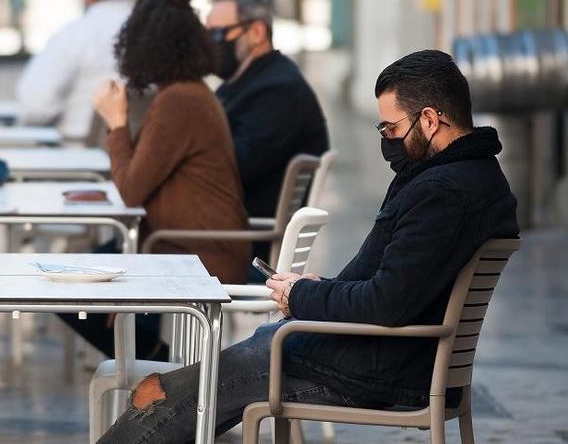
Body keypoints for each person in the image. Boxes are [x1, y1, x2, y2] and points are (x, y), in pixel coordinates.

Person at [98, 50, 520, 442]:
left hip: (371, 371)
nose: (386, 139)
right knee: (214, 372)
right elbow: (401, 283)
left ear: (429, 120)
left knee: (169, 393)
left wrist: (304, 295)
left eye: (392, 128)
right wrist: (321, 289)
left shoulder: (444, 191)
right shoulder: (471, 176)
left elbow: (388, 303)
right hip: (376, 356)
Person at [61, 0, 250, 361]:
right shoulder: (186, 92)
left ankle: (178, 381)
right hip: (185, 245)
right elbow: (140, 177)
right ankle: (172, 375)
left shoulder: (179, 100)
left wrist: (116, 124)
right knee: (74, 280)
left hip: (196, 254)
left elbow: (131, 190)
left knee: (72, 296)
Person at [206, 0, 329, 221]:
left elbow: (231, 169)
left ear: (256, 32)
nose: (210, 44)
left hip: (242, 236)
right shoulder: (242, 82)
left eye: (218, 34)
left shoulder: (279, 91)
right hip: (223, 225)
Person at [15, 0, 135, 142]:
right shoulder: (157, 33)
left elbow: (35, 107)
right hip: (145, 155)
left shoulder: (74, 34)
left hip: (79, 156)